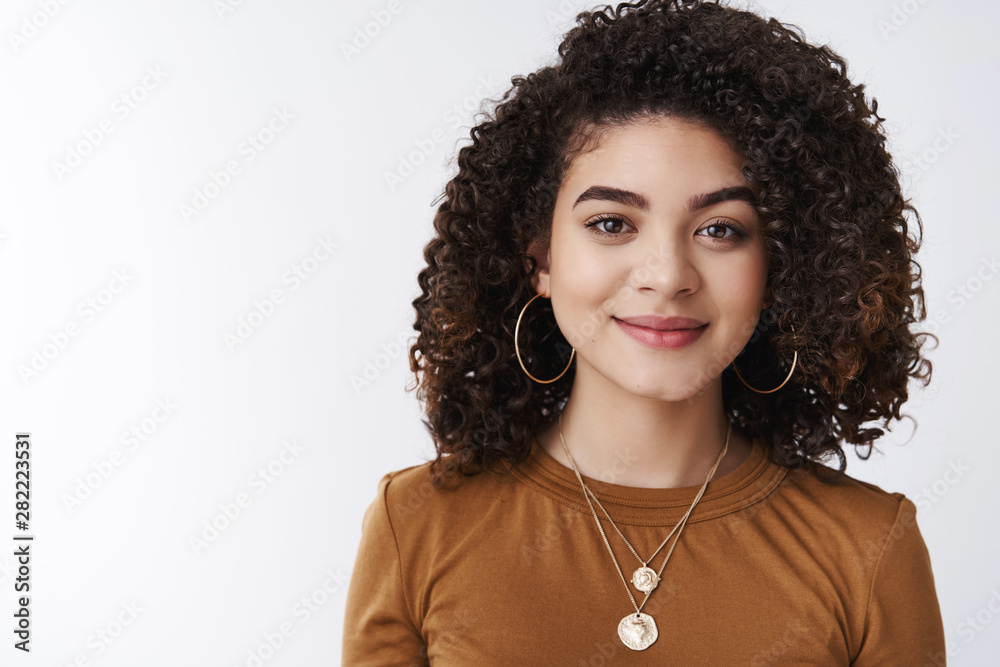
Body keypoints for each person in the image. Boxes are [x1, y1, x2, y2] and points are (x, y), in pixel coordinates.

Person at [342, 0, 946, 663]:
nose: (667, 275)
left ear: (781, 267)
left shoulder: (869, 549)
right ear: (540, 257)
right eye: (611, 223)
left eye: (721, 229)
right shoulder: (417, 525)